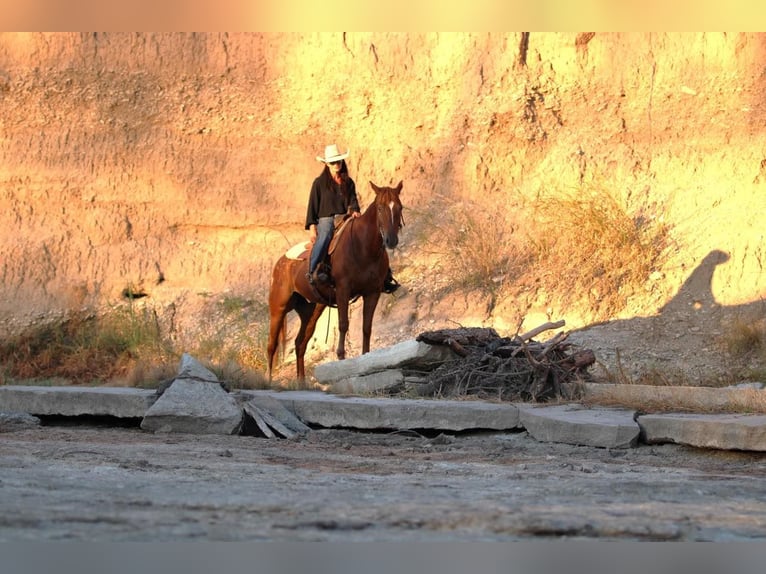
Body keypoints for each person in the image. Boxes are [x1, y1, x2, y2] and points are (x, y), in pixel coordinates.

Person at [305, 144, 399, 293]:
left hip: (345, 217)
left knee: (368, 235)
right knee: (326, 235)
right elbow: (312, 206)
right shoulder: (319, 183)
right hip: (326, 219)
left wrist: (355, 210)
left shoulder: (348, 182)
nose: (337, 165)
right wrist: (312, 228)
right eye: (333, 162)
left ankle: (384, 274)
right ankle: (313, 271)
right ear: (327, 164)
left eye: (339, 161)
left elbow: (353, 201)